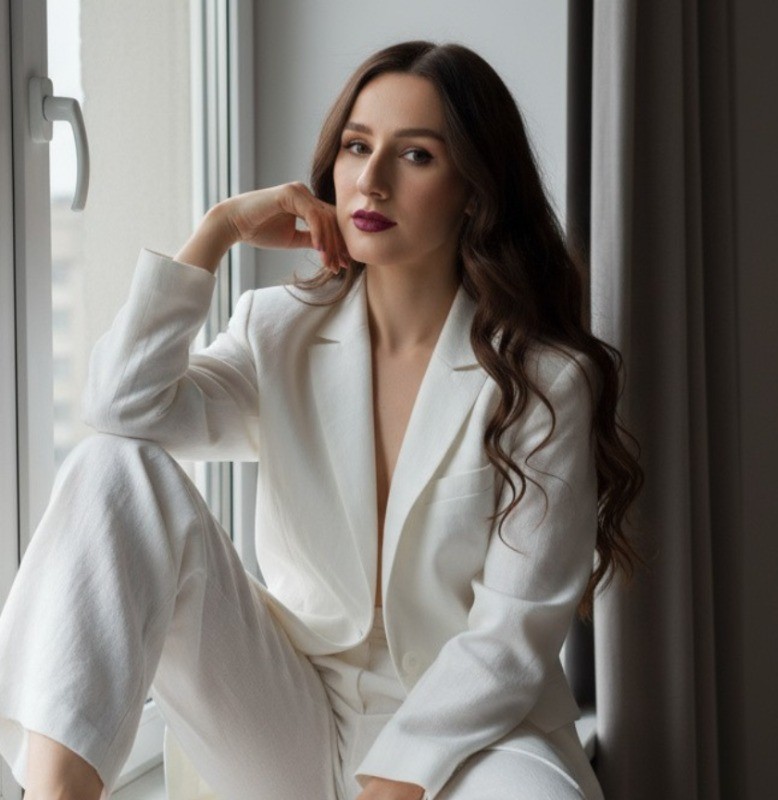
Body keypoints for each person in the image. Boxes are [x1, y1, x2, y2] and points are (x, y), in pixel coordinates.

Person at [0, 40, 642, 800]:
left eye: (417, 156)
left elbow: (512, 636)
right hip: (293, 710)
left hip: (476, 729)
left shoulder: (542, 381)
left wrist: (395, 783)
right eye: (356, 146)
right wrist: (218, 231)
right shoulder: (281, 330)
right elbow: (122, 410)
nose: (371, 179)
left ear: (475, 190)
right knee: (111, 466)